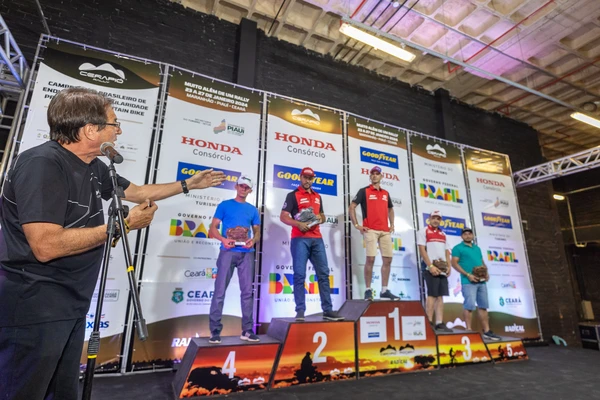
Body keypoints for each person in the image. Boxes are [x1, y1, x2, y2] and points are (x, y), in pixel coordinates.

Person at [0, 87, 225, 400]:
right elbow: (46, 245)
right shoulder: (42, 164)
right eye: (114, 124)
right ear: (90, 130)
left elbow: (139, 192)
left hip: (70, 302)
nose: (119, 130)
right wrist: (125, 224)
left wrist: (188, 184)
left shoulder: (94, 166)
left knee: (61, 392)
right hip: (34, 305)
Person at [279, 167, 344, 322]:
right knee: (299, 275)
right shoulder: (292, 195)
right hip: (299, 239)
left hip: (317, 239)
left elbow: (322, 215)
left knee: (323, 274)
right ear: (300, 177)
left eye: (310, 178)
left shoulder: (317, 196)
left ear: (313, 179)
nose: (307, 181)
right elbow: (283, 216)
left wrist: (320, 218)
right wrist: (298, 224)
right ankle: (300, 311)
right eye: (305, 177)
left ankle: (327, 310)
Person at [208, 175, 261, 344]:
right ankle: (215, 331)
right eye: (241, 186)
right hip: (227, 252)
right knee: (219, 292)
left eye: (247, 187)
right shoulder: (225, 205)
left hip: (247, 253)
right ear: (236, 186)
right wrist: (223, 240)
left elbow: (257, 232)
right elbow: (213, 228)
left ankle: (247, 330)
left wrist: (253, 240)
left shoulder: (253, 210)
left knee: (247, 293)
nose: (243, 189)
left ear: (250, 190)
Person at [349, 166, 399, 300]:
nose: (375, 175)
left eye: (377, 174)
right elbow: (352, 207)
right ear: (370, 176)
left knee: (388, 260)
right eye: (373, 174)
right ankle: (368, 290)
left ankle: (384, 290)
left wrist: (392, 224)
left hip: (385, 231)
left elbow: (390, 209)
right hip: (370, 229)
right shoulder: (364, 191)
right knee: (370, 259)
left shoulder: (385, 193)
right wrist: (357, 225)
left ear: (381, 176)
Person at [451, 228, 501, 341]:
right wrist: (468, 274)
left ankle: (487, 331)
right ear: (461, 236)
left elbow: (481, 262)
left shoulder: (477, 248)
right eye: (465, 234)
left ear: (473, 235)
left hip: (481, 282)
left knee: (483, 306)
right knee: (469, 306)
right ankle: (468, 330)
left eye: (469, 234)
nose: (468, 236)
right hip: (468, 282)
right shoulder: (457, 248)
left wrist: (486, 273)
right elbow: (454, 263)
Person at [417, 210, 452, 332]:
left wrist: (449, 266)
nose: (436, 220)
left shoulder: (443, 234)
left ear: (440, 220)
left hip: (442, 268)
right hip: (430, 267)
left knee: (440, 295)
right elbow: (422, 250)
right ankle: (429, 322)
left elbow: (447, 251)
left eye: (438, 218)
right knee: (432, 295)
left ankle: (439, 322)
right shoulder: (423, 231)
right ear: (430, 219)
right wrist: (430, 266)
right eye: (434, 218)